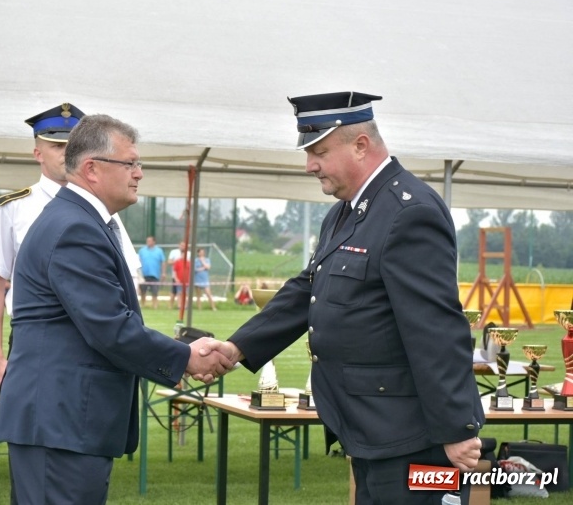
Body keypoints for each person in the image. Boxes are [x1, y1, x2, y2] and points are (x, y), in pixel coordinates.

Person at [206, 92, 484, 505]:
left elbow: (435, 330)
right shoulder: (346, 211)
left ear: (360, 145)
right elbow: (309, 288)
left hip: (412, 435)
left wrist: (457, 428)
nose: (309, 165)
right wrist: (237, 346)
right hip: (370, 429)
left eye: (318, 151)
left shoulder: (409, 211)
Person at [0, 113, 232, 504]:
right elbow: (109, 328)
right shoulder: (75, 227)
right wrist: (186, 357)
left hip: (63, 419)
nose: (139, 173)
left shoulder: (82, 221)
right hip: (61, 420)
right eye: (131, 163)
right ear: (92, 169)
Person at [0, 103, 140, 387]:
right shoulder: (14, 208)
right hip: (38, 340)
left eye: (72, 146)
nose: (67, 153)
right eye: (57, 146)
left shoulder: (104, 206)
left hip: (98, 339)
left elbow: (126, 277)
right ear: (37, 153)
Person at [137, 235, 166, 308]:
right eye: (147, 241)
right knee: (143, 291)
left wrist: (163, 273)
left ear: (154, 242)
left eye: (150, 241)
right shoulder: (142, 250)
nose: (148, 242)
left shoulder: (159, 251)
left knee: (155, 292)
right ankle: (143, 305)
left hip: (155, 274)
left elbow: (163, 262)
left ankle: (155, 306)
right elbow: (138, 261)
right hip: (143, 275)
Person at [167, 240, 185, 309]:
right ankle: (170, 306)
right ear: (179, 245)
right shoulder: (174, 252)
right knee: (173, 291)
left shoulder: (189, 253)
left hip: (185, 277)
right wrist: (178, 261)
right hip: (176, 276)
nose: (183, 247)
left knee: (183, 292)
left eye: (184, 245)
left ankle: (182, 306)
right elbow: (169, 262)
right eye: (181, 245)